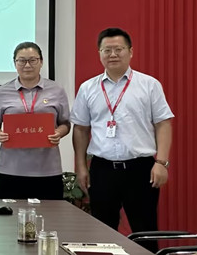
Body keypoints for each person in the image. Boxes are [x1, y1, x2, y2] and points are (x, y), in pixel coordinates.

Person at [71, 27, 173, 245]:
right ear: (99, 53)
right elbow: (80, 129)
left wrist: (161, 162)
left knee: (145, 231)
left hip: (140, 169)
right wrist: (80, 166)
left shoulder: (149, 85)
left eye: (119, 49)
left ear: (130, 51)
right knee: (101, 232)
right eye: (107, 50)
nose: (113, 55)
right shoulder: (88, 88)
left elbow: (163, 123)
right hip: (102, 169)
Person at [0, 41, 70, 200]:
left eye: (32, 60)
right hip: (11, 170)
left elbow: (65, 123)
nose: (27, 65)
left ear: (41, 62)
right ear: (15, 63)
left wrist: (58, 133)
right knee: (10, 214)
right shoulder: (2, 91)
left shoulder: (56, 90)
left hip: (47, 170)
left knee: (50, 214)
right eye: (22, 61)